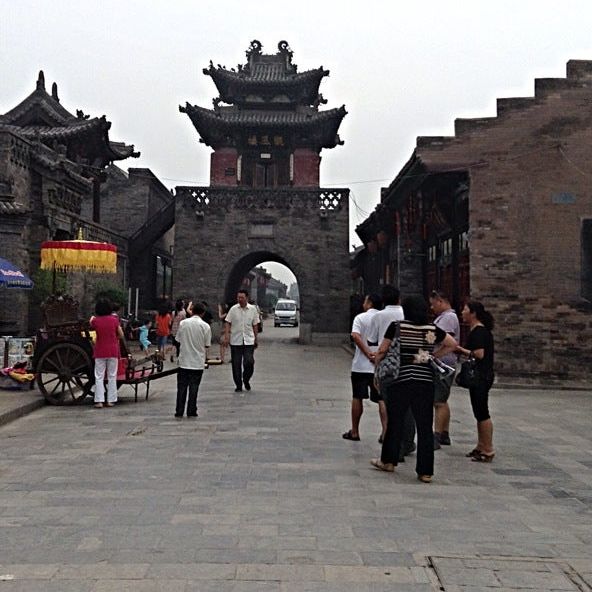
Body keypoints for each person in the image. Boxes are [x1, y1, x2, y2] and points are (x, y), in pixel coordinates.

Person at [371, 295, 457, 483]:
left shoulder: (398, 327)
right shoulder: (431, 329)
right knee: (425, 426)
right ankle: (425, 472)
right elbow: (452, 344)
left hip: (400, 381)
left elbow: (383, 350)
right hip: (424, 382)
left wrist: (377, 370)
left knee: (396, 422)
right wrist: (432, 355)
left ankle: (389, 461)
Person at [368, 284, 415, 458]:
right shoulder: (408, 316)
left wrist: (376, 368)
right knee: (408, 407)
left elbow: (374, 343)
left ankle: (394, 445)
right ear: (399, 299)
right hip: (410, 365)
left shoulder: (380, 317)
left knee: (390, 405)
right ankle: (408, 442)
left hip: (388, 367)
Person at [455, 301, 495, 462]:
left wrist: (459, 350)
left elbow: (479, 354)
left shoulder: (479, 331)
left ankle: (488, 448)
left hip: (481, 376)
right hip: (481, 376)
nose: (462, 312)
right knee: (478, 412)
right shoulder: (478, 330)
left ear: (473, 313)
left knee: (482, 412)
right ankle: (481, 445)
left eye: (465, 309)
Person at [342, 293, 382, 442]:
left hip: (360, 366)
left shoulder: (360, 317)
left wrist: (367, 353)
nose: (363, 304)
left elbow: (355, 336)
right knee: (382, 399)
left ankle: (355, 431)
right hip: (378, 366)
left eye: (365, 301)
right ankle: (385, 433)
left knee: (357, 397)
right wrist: (376, 355)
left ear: (369, 303)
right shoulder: (384, 318)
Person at [429, 289, 460, 448]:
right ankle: (444, 433)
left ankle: (437, 434)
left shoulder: (448, 318)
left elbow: (445, 341)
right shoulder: (446, 317)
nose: (432, 308)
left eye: (433, 304)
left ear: (441, 301)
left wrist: (435, 355)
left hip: (443, 365)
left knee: (438, 401)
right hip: (446, 363)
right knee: (442, 400)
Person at [174, 301, 211, 418]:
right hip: (197, 362)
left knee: (181, 387)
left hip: (184, 360)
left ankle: (179, 411)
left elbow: (178, 340)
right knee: (194, 387)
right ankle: (191, 410)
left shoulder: (183, 324)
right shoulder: (205, 326)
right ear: (203, 313)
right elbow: (207, 344)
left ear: (192, 311)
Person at [223, 289, 260, 392]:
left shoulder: (252, 309)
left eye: (242, 297)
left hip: (249, 340)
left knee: (249, 361)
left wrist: (256, 339)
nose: (239, 299)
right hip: (236, 340)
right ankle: (238, 384)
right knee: (236, 364)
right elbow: (227, 322)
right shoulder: (233, 309)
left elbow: (255, 324)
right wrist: (227, 336)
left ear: (246, 298)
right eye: (238, 297)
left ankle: (246, 379)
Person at [90, 298, 124, 409]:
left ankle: (99, 401)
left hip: (100, 350)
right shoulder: (114, 320)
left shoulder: (96, 321)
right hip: (113, 350)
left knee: (99, 376)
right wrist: (114, 339)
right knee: (112, 376)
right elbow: (121, 334)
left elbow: (91, 325)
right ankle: (111, 400)